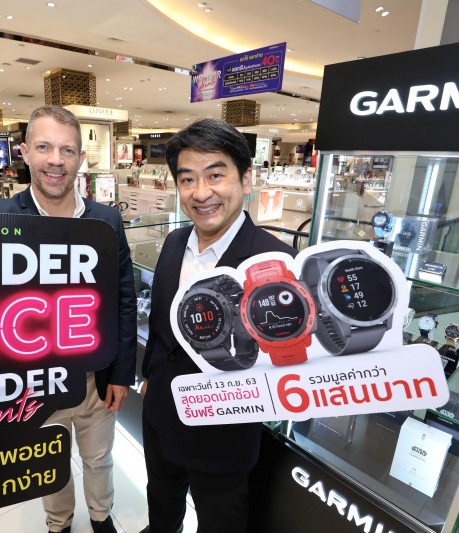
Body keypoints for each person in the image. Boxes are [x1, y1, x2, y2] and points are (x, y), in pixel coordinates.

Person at [0, 106, 136, 533]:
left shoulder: (106, 220)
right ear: (25, 152)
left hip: (95, 379)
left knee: (99, 458)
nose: (56, 160)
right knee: (48, 462)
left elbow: (123, 298)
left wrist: (122, 373)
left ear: (81, 159)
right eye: (44, 147)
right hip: (34, 383)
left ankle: (101, 518)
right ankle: (59, 522)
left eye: (67, 150)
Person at [139, 119, 297, 533]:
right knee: (161, 509)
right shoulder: (175, 242)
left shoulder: (276, 262)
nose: (201, 193)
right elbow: (161, 321)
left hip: (224, 435)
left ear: (246, 178)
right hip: (160, 416)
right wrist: (151, 375)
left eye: (215, 175)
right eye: (187, 179)